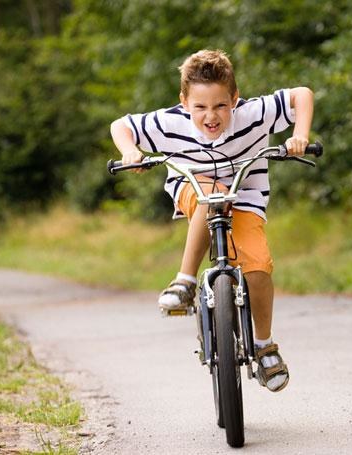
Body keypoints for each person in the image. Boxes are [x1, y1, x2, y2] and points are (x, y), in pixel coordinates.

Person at [110, 49, 314, 392]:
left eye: (220, 105)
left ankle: (264, 346)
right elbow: (121, 126)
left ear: (234, 98)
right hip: (193, 188)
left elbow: (301, 95)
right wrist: (130, 152)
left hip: (245, 197)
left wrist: (300, 134)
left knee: (259, 267)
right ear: (184, 102)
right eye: (200, 107)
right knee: (211, 196)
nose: (211, 116)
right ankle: (185, 282)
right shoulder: (169, 122)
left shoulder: (253, 114)